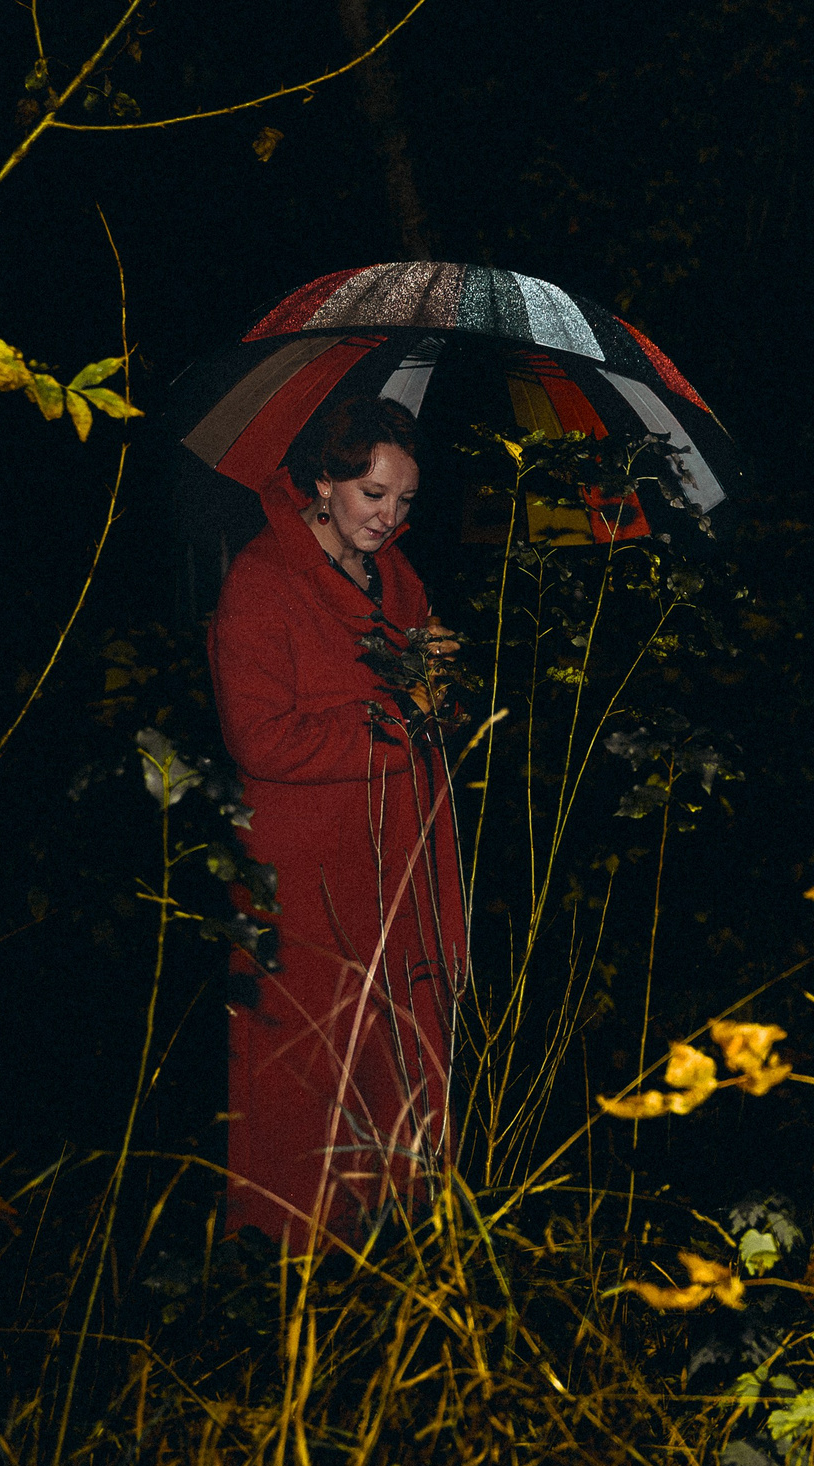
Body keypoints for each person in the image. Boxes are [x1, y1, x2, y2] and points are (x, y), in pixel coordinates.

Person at [208, 393, 468, 1248]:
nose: (390, 517)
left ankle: (396, 1244)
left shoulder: (394, 576)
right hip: (308, 872)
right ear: (322, 480)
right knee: (306, 1064)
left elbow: (430, 694)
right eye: (372, 493)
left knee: (398, 1053)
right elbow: (260, 737)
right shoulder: (262, 578)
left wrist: (440, 683)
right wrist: (399, 716)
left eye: (404, 500)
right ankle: (284, 1259)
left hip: (397, 862)